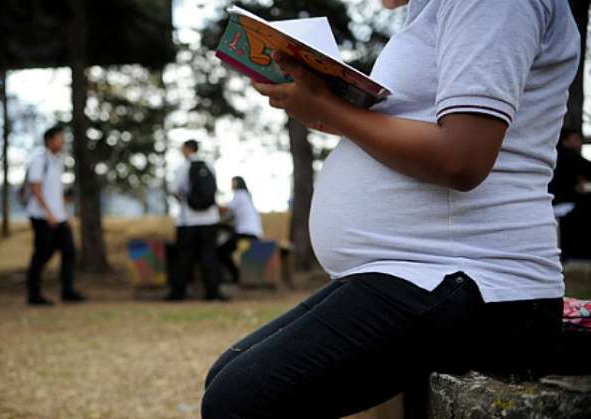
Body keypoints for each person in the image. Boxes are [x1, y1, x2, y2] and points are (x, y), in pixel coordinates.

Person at [201, 1, 580, 418]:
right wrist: (324, 106)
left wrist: (330, 109)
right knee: (225, 377)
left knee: (239, 401)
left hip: (476, 278)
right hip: (425, 272)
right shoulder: (430, 10)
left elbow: (463, 157)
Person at [25, 126, 84, 305]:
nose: (63, 142)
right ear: (49, 140)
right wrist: (48, 213)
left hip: (58, 217)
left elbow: (55, 193)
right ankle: (33, 294)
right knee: (41, 254)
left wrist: (65, 214)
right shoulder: (39, 159)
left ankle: (68, 290)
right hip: (42, 216)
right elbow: (35, 188)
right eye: (60, 138)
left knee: (69, 252)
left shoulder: (56, 161)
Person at [166, 140, 227, 301]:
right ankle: (213, 292)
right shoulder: (209, 165)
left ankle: (179, 292)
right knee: (210, 256)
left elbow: (174, 190)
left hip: (188, 221)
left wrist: (184, 202)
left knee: (184, 257)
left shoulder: (183, 167)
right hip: (210, 219)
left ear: (187, 149)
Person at [548, 128, 591, 259]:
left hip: (549, 202)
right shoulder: (568, 155)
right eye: (575, 139)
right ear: (565, 141)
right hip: (565, 203)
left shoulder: (551, 155)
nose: (579, 143)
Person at [216, 176, 263, 284]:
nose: (231, 185)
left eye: (233, 183)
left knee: (221, 252)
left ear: (237, 184)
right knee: (226, 248)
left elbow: (226, 210)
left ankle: (235, 276)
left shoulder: (239, 195)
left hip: (246, 234)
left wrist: (212, 207)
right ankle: (235, 275)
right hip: (253, 233)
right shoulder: (247, 196)